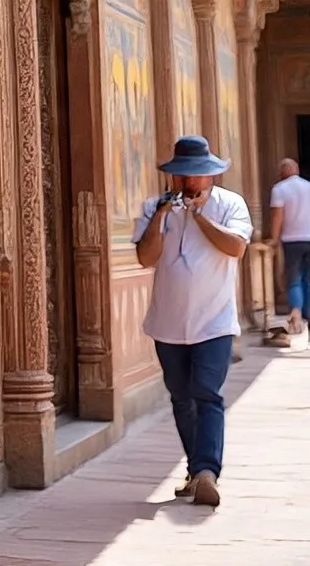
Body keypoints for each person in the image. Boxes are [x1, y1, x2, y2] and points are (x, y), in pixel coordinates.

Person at [133, 136, 252, 508]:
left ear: (212, 176)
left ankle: (206, 472)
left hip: (214, 321)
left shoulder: (230, 205)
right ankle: (194, 469)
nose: (190, 184)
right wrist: (162, 217)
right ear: (173, 177)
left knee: (207, 393)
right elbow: (146, 258)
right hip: (168, 323)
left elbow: (236, 248)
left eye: (197, 177)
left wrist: (199, 216)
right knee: (181, 398)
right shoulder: (155, 207)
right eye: (183, 176)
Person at [267, 156, 310, 336]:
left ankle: (297, 314)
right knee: (308, 279)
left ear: (281, 173)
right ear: (297, 170)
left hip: (292, 240)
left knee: (294, 279)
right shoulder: (308, 186)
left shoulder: (279, 189)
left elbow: (278, 216)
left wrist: (274, 239)